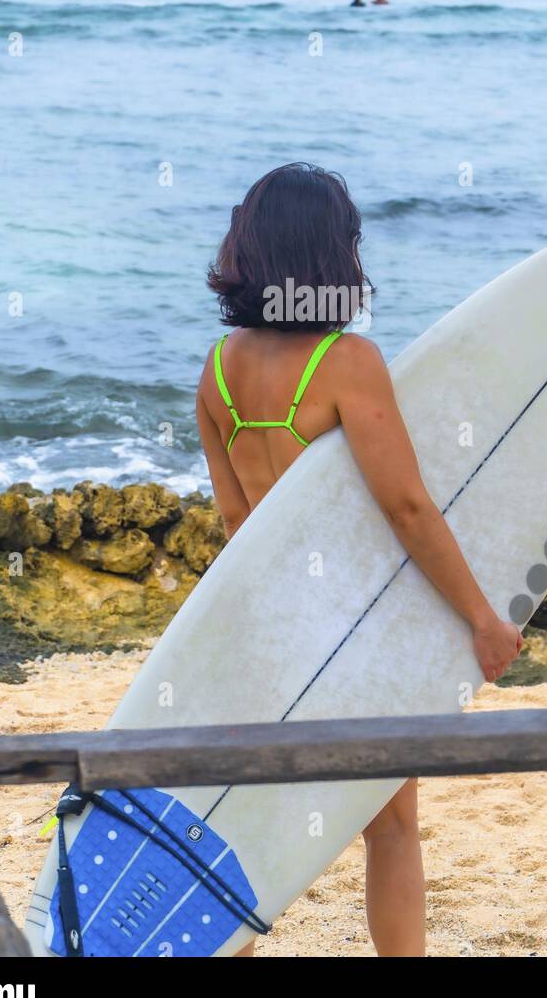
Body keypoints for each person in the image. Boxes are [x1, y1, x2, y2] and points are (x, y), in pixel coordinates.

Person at [197, 164, 522, 957]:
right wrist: (482, 617)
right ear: (330, 256)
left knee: (262, 825)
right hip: (351, 631)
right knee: (392, 824)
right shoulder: (347, 363)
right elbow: (406, 506)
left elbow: (239, 524)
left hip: (270, 630)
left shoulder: (218, 369)